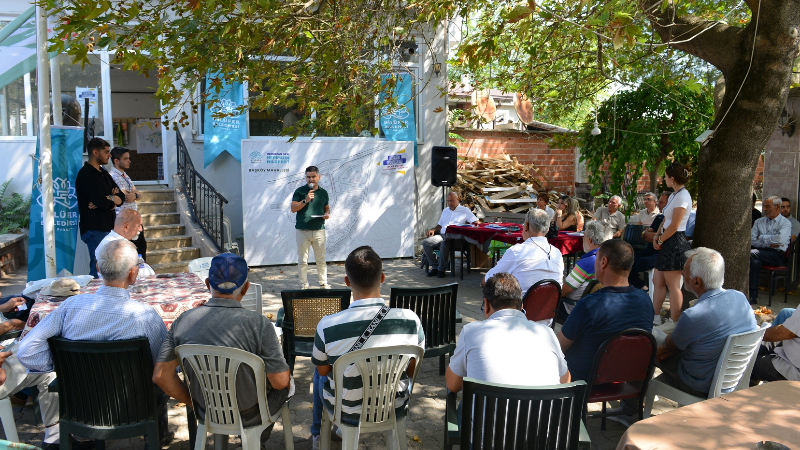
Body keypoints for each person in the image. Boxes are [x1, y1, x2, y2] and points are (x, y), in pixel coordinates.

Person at [17, 239, 172, 447]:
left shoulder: (70, 306)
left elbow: (27, 351)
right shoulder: (145, 316)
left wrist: (61, 367)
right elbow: (163, 368)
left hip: (80, 409)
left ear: (98, 268)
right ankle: (157, 437)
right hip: (133, 409)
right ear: (133, 274)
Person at [153, 253, 292, 447]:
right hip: (250, 413)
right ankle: (255, 440)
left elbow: (161, 376)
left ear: (208, 283)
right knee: (287, 385)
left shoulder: (182, 321)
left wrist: (192, 401)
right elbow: (279, 382)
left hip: (206, 409)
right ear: (246, 288)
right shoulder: (260, 325)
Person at [309, 246, 424, 449]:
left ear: (347, 281)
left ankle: (319, 435)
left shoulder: (327, 325)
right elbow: (412, 369)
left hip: (347, 410)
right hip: (393, 406)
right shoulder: (410, 320)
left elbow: (324, 371)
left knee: (319, 372)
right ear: (382, 278)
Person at [445, 272, 570, 402]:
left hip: (487, 422)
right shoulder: (547, 333)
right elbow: (565, 381)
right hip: (545, 421)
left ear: (486, 304)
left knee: (463, 407)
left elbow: (453, 385)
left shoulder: (471, 332)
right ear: (521, 306)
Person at [656, 248, 757, 397]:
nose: (682, 274)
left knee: (647, 342)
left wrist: (671, 346)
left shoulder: (693, 315)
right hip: (731, 379)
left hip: (698, 383)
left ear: (697, 281)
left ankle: (630, 408)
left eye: (684, 271)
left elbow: (670, 345)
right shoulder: (739, 297)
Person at [556, 239, 654, 382]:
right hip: (627, 378)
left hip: (583, 380)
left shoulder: (589, 304)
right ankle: (630, 406)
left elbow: (559, 347)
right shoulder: (646, 301)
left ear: (603, 262)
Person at [483, 208, 563, 299]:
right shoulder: (557, 253)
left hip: (519, 309)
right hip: (549, 310)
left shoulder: (517, 251)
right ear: (547, 230)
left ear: (526, 226)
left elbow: (489, 279)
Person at [75, 137, 125, 278]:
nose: (110, 155)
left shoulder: (103, 173)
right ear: (96, 153)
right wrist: (108, 199)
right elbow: (102, 203)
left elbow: (121, 197)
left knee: (110, 266)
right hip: (94, 228)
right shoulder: (85, 174)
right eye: (107, 152)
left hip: (109, 226)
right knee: (99, 266)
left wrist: (109, 198)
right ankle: (94, 298)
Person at [652, 162, 692, 325]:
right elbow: (666, 219)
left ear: (672, 178)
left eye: (666, 176)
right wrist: (657, 235)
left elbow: (675, 225)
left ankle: (674, 321)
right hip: (667, 239)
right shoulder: (674, 195)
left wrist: (661, 239)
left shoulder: (683, 196)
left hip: (675, 242)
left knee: (673, 285)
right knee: (657, 280)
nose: (664, 179)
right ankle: (654, 316)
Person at [290, 166, 331, 289]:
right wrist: (305, 200)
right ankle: (303, 284)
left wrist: (327, 213)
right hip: (303, 231)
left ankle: (323, 283)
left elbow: (326, 207)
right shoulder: (300, 191)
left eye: (313, 176)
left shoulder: (323, 193)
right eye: (308, 177)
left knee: (321, 260)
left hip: (319, 230)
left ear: (318, 177)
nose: (311, 179)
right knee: (303, 260)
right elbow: (293, 209)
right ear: (305, 178)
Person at [422, 192, 478, 278]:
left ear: (458, 199)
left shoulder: (465, 211)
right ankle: (435, 267)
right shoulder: (445, 210)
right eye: (448, 201)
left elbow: (476, 223)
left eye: (452, 201)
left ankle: (441, 270)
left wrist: (472, 227)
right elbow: (440, 225)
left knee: (444, 243)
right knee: (426, 242)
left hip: (456, 239)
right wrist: (433, 229)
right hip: (442, 235)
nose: (450, 203)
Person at [561, 221, 612, 310]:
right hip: (600, 306)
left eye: (584, 236)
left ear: (589, 239)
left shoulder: (587, 263)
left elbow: (562, 292)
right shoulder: (611, 257)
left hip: (575, 309)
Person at [750, 195, 792, 303]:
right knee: (755, 262)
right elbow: (752, 240)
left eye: (767, 206)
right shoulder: (759, 222)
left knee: (751, 253)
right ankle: (752, 295)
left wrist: (762, 238)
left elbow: (780, 241)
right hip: (762, 252)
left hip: (776, 255)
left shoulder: (785, 223)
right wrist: (770, 243)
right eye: (763, 206)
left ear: (777, 206)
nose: (764, 209)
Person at [109, 147, 147, 260]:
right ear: (116, 160)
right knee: (129, 253)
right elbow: (119, 196)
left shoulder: (125, 176)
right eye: (125, 159)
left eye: (129, 158)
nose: (129, 161)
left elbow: (137, 194)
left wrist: (134, 195)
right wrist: (124, 194)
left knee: (141, 249)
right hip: (123, 221)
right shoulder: (111, 177)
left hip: (134, 218)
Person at [94, 209, 154, 277]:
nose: (140, 229)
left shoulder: (119, 242)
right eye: (138, 226)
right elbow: (125, 277)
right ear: (126, 227)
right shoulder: (111, 246)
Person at [628, 192, 669, 290]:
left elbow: (662, 237)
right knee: (626, 260)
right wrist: (654, 235)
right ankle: (642, 287)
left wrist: (654, 236)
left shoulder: (673, 220)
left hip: (661, 252)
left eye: (661, 202)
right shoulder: (659, 218)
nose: (659, 205)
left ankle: (642, 288)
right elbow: (645, 234)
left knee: (642, 262)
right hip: (649, 250)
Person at [750, 308, 800, 383]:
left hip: (794, 367)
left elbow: (784, 333)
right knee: (785, 312)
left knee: (748, 364)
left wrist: (754, 334)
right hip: (791, 347)